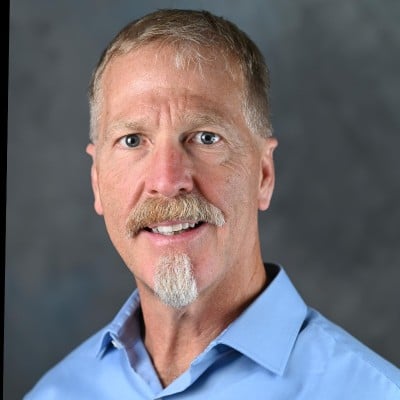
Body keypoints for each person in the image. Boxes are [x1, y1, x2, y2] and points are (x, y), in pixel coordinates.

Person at [24, 8, 399, 399]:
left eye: (206, 137)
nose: (167, 181)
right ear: (97, 181)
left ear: (264, 175)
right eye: (132, 140)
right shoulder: (55, 393)